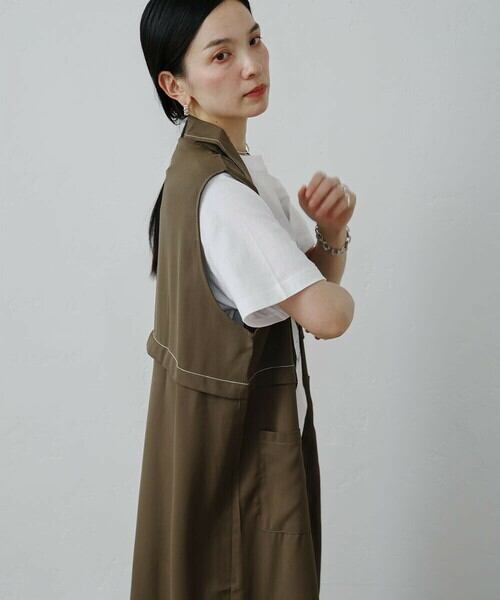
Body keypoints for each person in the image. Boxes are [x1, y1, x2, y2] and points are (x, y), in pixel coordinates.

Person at [130, 1, 356, 598]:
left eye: (254, 41)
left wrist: (332, 234)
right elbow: (325, 314)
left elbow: (302, 288)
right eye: (222, 55)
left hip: (214, 450)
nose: (251, 65)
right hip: (241, 465)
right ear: (175, 85)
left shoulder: (218, 172)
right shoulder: (225, 196)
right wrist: (340, 298)